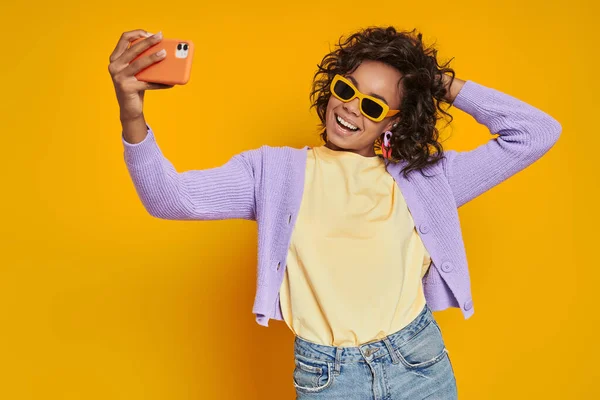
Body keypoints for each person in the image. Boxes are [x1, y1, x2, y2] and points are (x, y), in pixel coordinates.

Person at [108, 26, 562, 399]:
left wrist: (434, 80)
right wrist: (132, 110)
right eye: (347, 89)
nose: (350, 108)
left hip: (418, 363)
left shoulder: (427, 180)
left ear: (394, 121)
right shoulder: (273, 173)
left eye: (373, 104)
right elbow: (170, 199)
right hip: (329, 377)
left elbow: (536, 132)